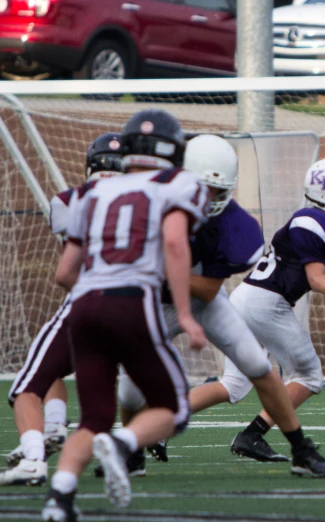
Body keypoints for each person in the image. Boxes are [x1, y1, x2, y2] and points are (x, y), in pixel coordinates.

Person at [115, 135, 325, 478]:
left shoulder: (235, 225)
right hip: (154, 304)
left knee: (256, 364)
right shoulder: (144, 205)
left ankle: (299, 449)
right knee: (130, 391)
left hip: (204, 301)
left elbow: (206, 291)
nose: (208, 200)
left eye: (217, 191)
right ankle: (132, 454)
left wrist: (157, 268)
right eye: (201, 188)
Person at [41, 109, 210, 521]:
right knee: (175, 408)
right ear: (174, 149)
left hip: (83, 306)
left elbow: (66, 271)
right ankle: (121, 446)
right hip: (131, 302)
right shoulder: (179, 184)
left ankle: (59, 498)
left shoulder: (88, 194)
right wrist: (185, 314)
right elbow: (173, 242)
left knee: (94, 416)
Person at [187, 157, 325, 461]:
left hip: (249, 300)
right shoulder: (311, 221)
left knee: (233, 384)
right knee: (309, 376)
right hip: (265, 303)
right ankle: (253, 435)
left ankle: (163, 421)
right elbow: (315, 279)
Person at [1, 132, 123, 487]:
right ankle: (89, 438)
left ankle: (35, 460)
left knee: (25, 386)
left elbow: (67, 270)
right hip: (134, 310)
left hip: (85, 303)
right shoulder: (149, 203)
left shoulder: (70, 200)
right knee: (105, 391)